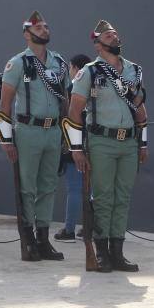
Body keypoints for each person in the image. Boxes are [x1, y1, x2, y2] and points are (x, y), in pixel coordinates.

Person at [64, 20, 148, 272]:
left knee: (122, 197)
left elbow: (140, 110)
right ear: (97, 44)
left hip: (129, 141)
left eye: (116, 35)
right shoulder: (89, 72)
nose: (115, 38)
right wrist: (77, 149)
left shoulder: (133, 70)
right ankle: (101, 252)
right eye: (109, 36)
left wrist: (143, 143)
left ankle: (117, 252)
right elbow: (74, 111)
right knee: (102, 198)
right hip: (101, 141)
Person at [0, 11, 70, 262]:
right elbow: (4, 105)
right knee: (27, 187)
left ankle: (43, 239)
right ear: (27, 34)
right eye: (38, 28)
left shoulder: (59, 63)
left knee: (48, 186)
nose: (45, 30)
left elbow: (66, 101)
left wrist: (68, 136)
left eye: (47, 27)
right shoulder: (17, 63)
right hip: (28, 131)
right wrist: (6, 141)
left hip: (53, 130)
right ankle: (28, 241)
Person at [54, 53, 92, 240]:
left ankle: (69, 229)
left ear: (76, 69)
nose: (69, 71)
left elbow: (67, 118)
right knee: (92, 189)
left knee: (75, 189)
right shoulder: (95, 88)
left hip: (74, 143)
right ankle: (90, 227)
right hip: (94, 142)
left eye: (70, 67)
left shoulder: (72, 90)